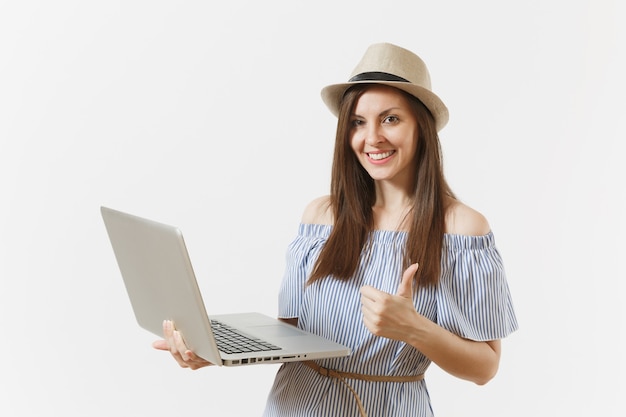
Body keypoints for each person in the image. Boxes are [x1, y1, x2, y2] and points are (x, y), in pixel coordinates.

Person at [153, 42, 518, 417]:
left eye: (390, 119)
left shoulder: (461, 231)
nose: (372, 137)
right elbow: (290, 334)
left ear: (421, 128)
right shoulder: (320, 217)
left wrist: (414, 328)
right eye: (358, 122)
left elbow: (485, 368)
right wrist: (215, 350)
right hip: (294, 405)